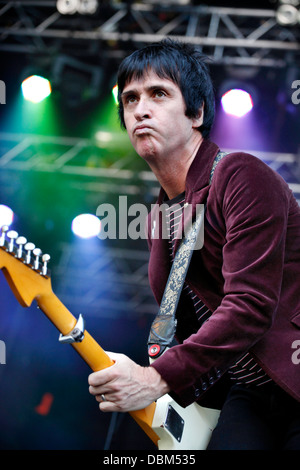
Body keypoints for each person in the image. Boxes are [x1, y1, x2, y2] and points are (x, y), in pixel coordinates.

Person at [88, 39, 300, 450]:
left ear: (197, 112)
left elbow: (250, 306)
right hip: (245, 391)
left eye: (159, 94)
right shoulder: (161, 216)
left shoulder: (241, 175)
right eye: (130, 99)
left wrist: (155, 377)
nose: (140, 109)